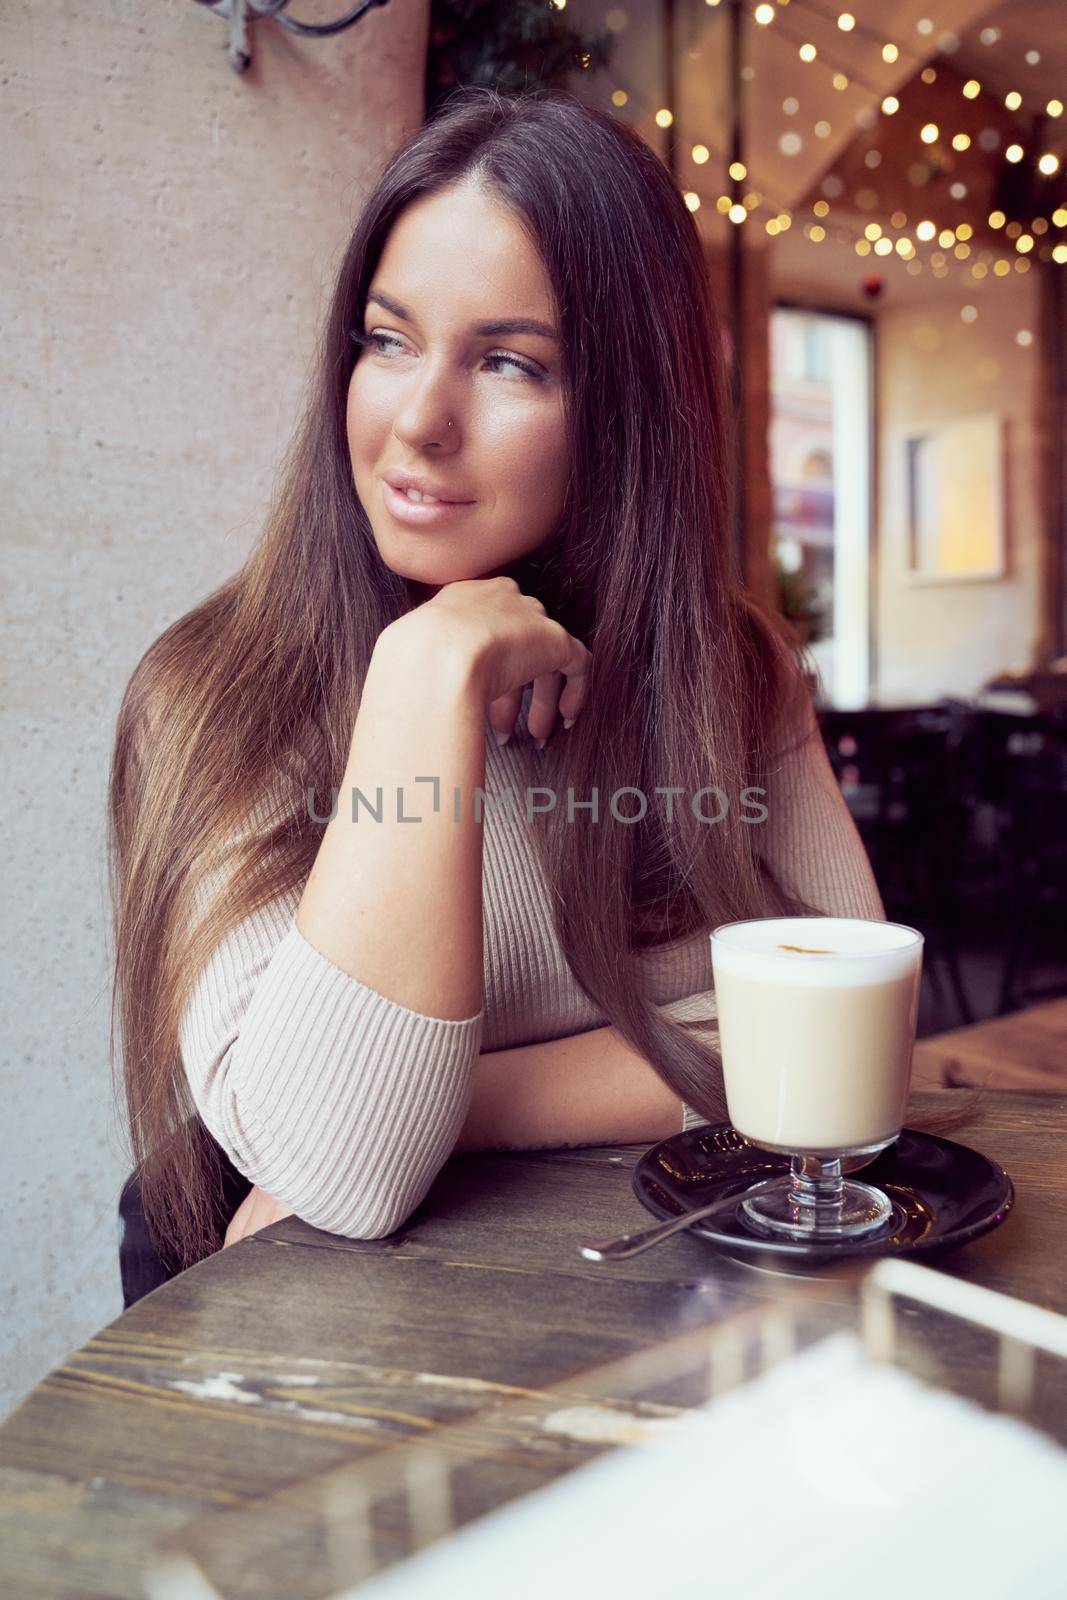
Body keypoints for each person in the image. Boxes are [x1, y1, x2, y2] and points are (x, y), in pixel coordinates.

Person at [107, 85, 884, 1300]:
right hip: (348, 1362)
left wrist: (451, 1099)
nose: (418, 419)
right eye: (386, 339)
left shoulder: (726, 669)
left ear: (625, 412)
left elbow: (841, 1049)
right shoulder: (214, 693)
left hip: (655, 1316)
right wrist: (423, 678)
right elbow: (347, 1166)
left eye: (508, 362)